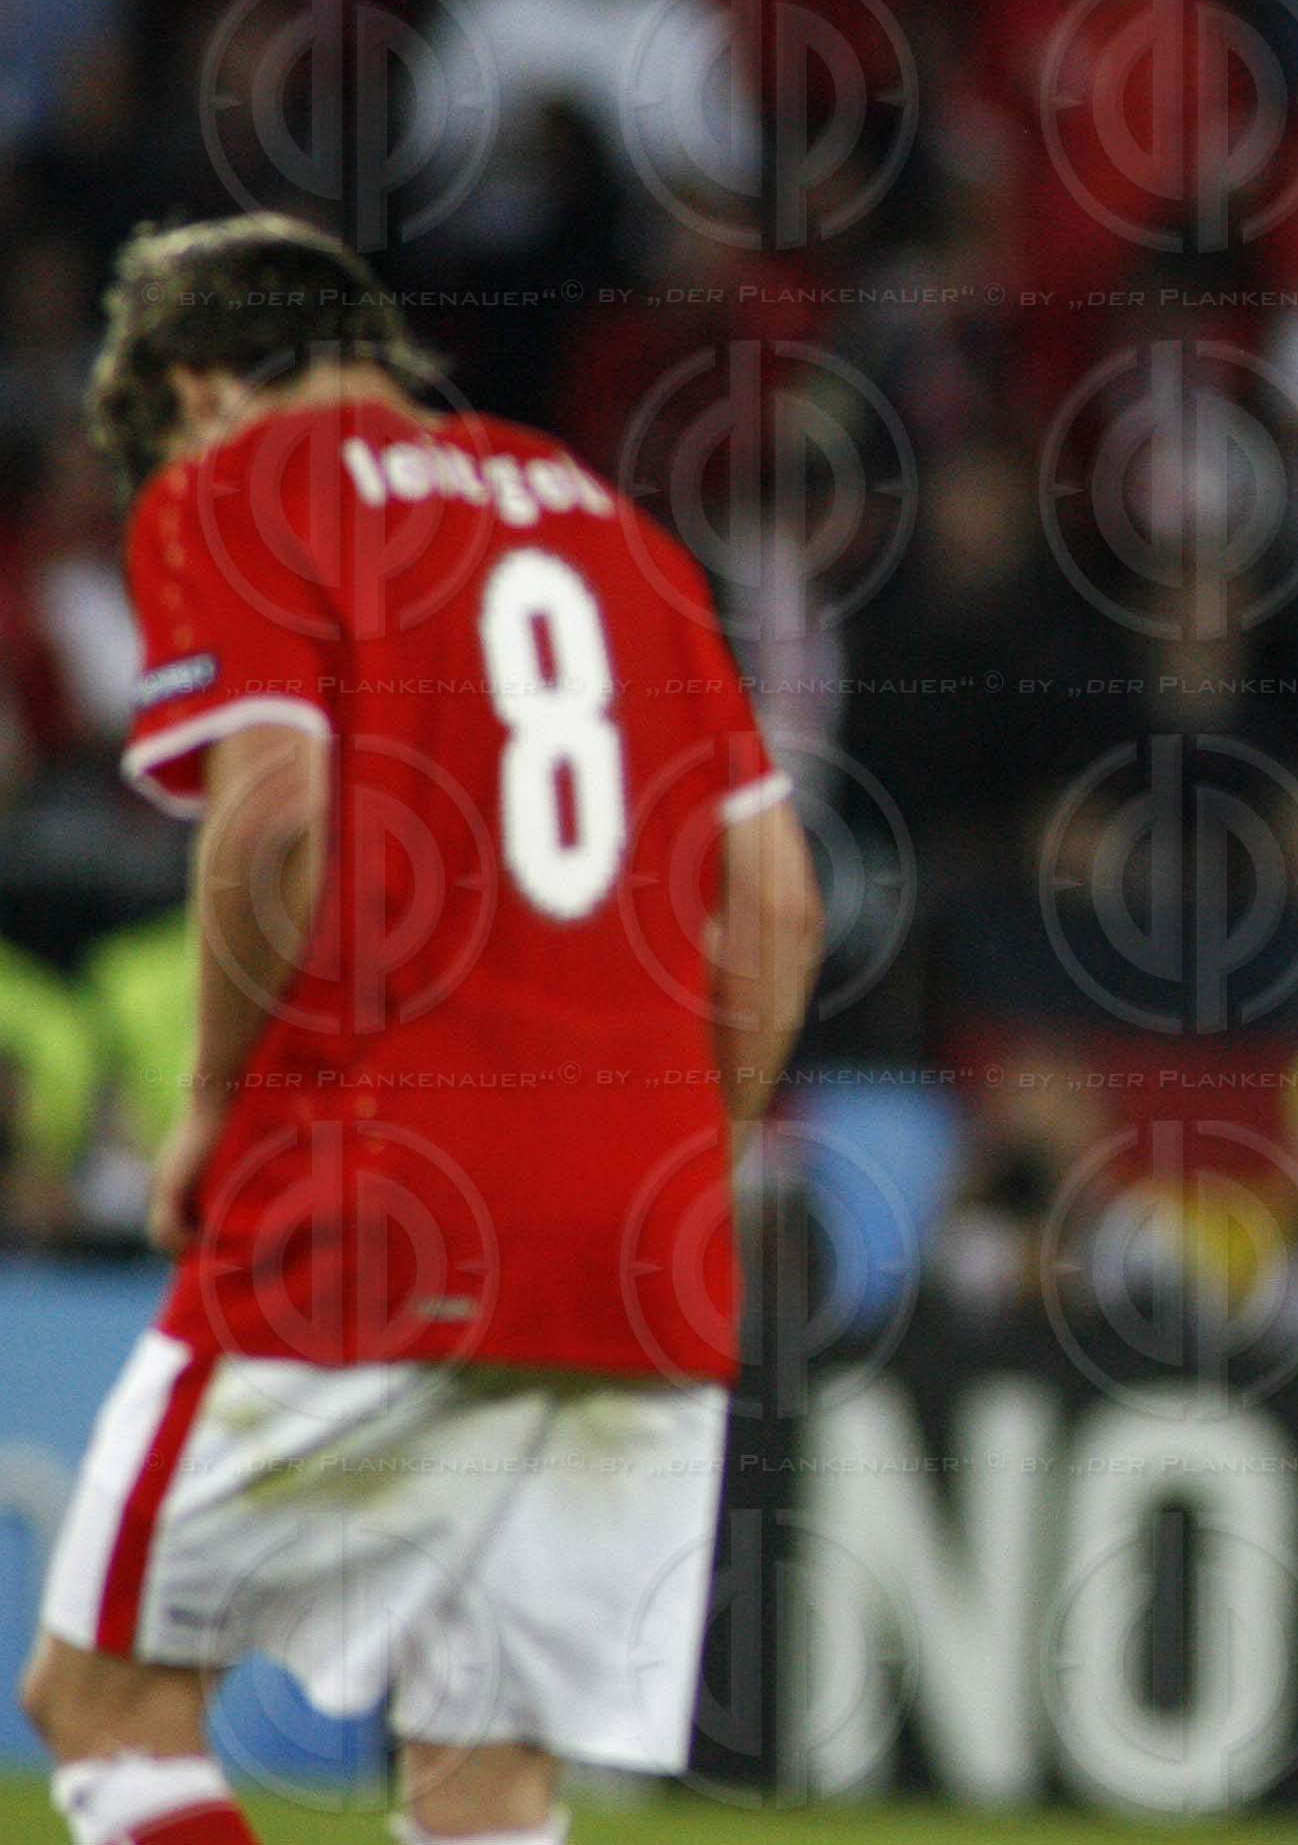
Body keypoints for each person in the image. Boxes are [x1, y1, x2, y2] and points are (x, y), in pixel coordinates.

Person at [19, 215, 824, 1845]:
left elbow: (269, 819)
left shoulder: (244, 489)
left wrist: (201, 1106)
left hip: (370, 1192)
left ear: (199, 388)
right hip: (639, 1242)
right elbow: (779, 901)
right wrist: (689, 1148)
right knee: (486, 1780)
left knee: (103, 1701)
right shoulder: (616, 530)